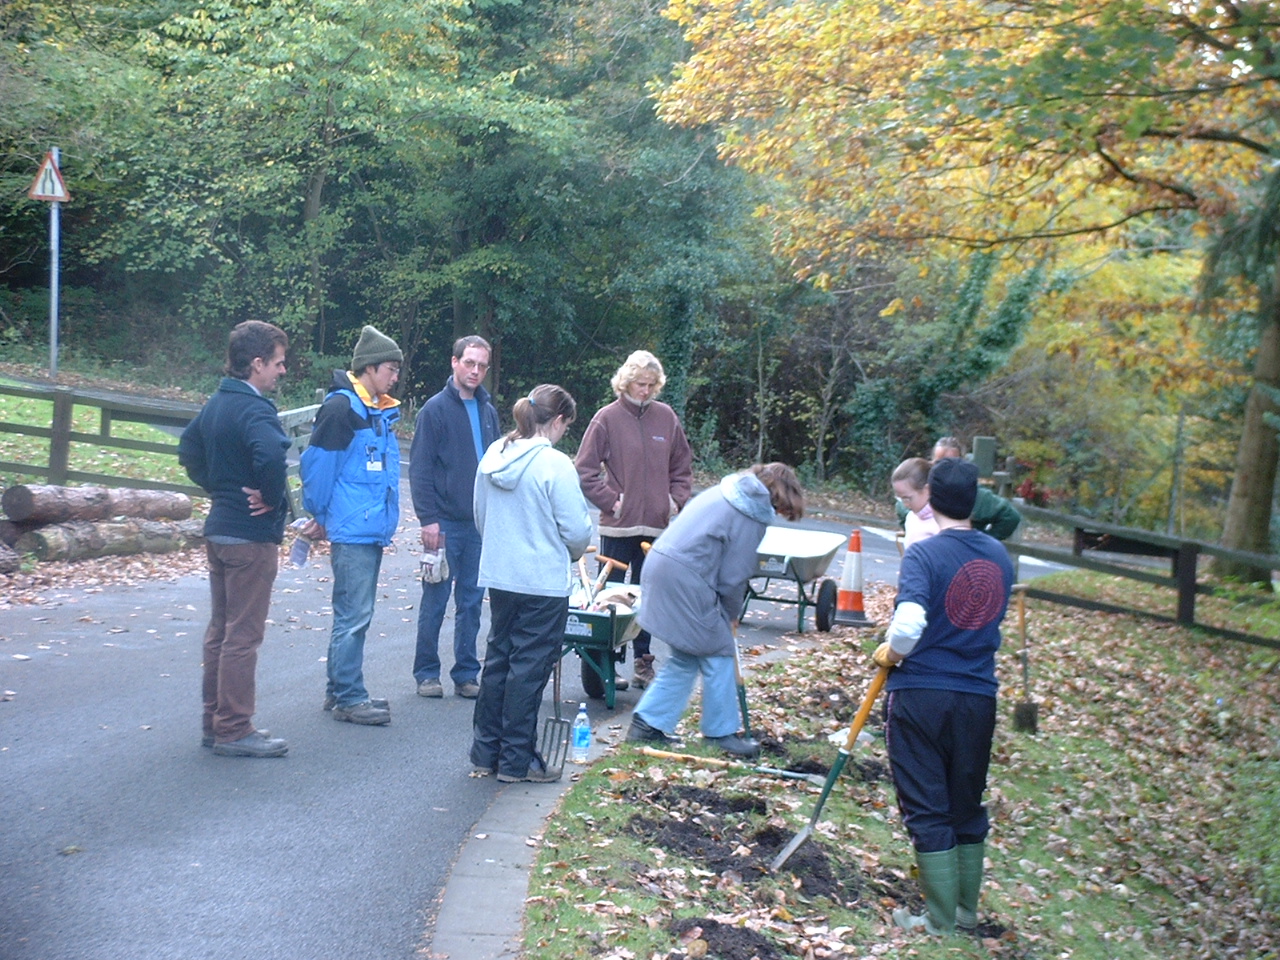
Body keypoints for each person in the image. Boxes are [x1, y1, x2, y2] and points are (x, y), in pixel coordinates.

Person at [872, 457, 1015, 935]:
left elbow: (910, 623)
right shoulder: (998, 556)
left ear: (930, 498)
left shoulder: (925, 554)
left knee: (927, 805)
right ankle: (964, 913)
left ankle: (937, 922)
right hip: (978, 697)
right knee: (965, 803)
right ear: (974, 501)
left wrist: (892, 652)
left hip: (923, 694)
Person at [624, 463, 806, 758]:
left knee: (687, 656)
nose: (778, 517)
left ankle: (647, 724)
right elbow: (733, 577)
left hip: (662, 566)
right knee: (719, 651)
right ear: (779, 496)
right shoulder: (751, 514)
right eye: (783, 510)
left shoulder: (726, 492)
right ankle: (720, 734)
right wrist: (731, 615)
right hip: (686, 579)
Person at [178, 320, 291, 758]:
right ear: (257, 363)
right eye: (278, 363)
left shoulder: (217, 402)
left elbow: (188, 450)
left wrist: (219, 489)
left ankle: (215, 722)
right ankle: (234, 728)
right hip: (249, 537)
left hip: (220, 530)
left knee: (220, 632)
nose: (282, 371)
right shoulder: (256, 409)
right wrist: (271, 499)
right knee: (243, 636)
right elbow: (270, 458)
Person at [470, 384, 593, 783]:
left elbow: (480, 513)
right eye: (565, 426)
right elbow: (575, 531)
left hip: (501, 575)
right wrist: (571, 553)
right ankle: (517, 760)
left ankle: (486, 752)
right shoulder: (555, 465)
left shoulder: (494, 454)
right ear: (557, 421)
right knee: (528, 668)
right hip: (542, 582)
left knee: (499, 660)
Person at [300, 325, 404, 726]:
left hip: (365, 527)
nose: (395, 377)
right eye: (390, 369)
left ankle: (339, 689)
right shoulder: (342, 409)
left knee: (352, 612)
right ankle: (349, 697)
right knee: (355, 614)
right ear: (369, 369)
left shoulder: (374, 410)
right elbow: (318, 468)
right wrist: (320, 515)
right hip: (351, 528)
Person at [575, 350, 693, 689]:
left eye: (652, 385)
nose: (645, 390)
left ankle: (644, 661)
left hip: (657, 527)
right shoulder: (606, 418)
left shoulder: (666, 418)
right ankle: (605, 664)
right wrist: (613, 501)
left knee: (649, 595)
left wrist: (673, 501)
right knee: (611, 598)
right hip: (618, 526)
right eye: (640, 383)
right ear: (626, 381)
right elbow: (584, 470)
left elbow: (682, 468)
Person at [409, 335, 501, 699]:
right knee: (434, 601)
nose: (475, 370)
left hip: (479, 524)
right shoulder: (434, 410)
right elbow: (419, 469)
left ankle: (466, 673)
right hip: (444, 524)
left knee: (472, 603)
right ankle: (427, 673)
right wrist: (427, 519)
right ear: (454, 362)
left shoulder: (488, 411)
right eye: (469, 363)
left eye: (481, 366)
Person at [894, 436, 1021, 541]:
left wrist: (983, 541)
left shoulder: (977, 495)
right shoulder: (923, 492)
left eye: (951, 463)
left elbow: (1010, 516)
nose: (945, 468)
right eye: (939, 463)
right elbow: (902, 507)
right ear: (931, 463)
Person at [891, 457, 939, 550]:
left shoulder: (940, 523)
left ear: (927, 490)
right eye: (900, 499)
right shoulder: (911, 517)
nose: (905, 504)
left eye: (907, 499)